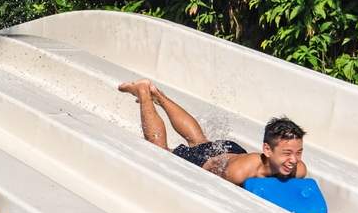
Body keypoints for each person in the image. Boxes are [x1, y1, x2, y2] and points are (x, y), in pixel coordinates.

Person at [118, 79, 307, 184]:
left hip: (231, 150)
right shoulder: (239, 174)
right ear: (267, 150)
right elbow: (206, 182)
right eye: (287, 153)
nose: (293, 160)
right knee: (160, 153)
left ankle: (159, 95)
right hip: (207, 162)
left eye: (298, 153)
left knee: (200, 139)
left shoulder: (298, 169)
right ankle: (143, 92)